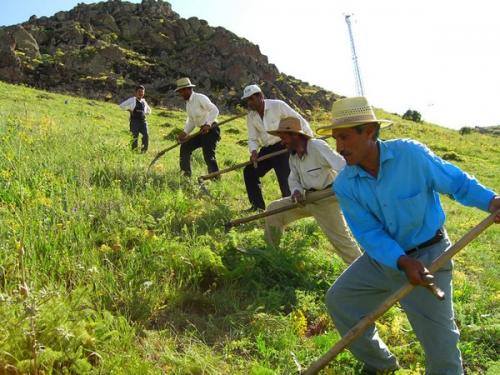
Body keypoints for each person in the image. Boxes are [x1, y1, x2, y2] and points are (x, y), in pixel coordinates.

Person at [315, 96, 499, 374]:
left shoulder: (410, 156)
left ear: (370, 132)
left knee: (441, 344)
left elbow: (456, 182)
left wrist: (491, 201)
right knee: (341, 300)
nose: (339, 148)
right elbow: (369, 233)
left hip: (430, 255)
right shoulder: (345, 184)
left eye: (345, 137)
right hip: (383, 260)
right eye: (335, 139)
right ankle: (381, 364)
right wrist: (401, 262)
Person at [264, 117, 362, 264]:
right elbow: (294, 179)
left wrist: (348, 185)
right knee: (274, 210)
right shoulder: (293, 156)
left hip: (327, 198)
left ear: (295, 135)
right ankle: (271, 256)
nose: (282, 142)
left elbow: (342, 166)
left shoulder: (317, 147)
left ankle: (364, 270)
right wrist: (296, 191)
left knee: (341, 241)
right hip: (306, 198)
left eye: (284, 138)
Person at [241, 84, 313, 210]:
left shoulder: (278, 105)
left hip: (283, 147)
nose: (249, 103)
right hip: (267, 149)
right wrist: (253, 152)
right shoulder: (251, 116)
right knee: (249, 172)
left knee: (285, 178)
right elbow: (252, 138)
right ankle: (257, 206)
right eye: (247, 100)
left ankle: (292, 207)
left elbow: (299, 121)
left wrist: (308, 140)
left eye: (251, 99)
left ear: (260, 96)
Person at [175, 77, 220, 177]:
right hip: (201, 131)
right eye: (179, 92)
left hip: (211, 129)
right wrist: (184, 133)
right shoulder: (188, 104)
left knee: (208, 155)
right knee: (185, 146)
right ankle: (186, 174)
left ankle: (215, 178)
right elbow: (191, 121)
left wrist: (208, 124)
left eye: (181, 92)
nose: (180, 94)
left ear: (187, 89)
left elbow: (215, 110)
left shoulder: (200, 98)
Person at [119, 85, 151, 152]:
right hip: (134, 122)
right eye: (139, 92)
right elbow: (121, 105)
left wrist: (144, 113)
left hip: (143, 122)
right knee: (134, 137)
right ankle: (134, 151)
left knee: (146, 135)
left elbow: (149, 110)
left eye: (142, 92)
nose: (141, 93)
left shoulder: (144, 101)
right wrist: (129, 110)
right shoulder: (132, 100)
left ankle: (143, 151)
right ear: (135, 92)